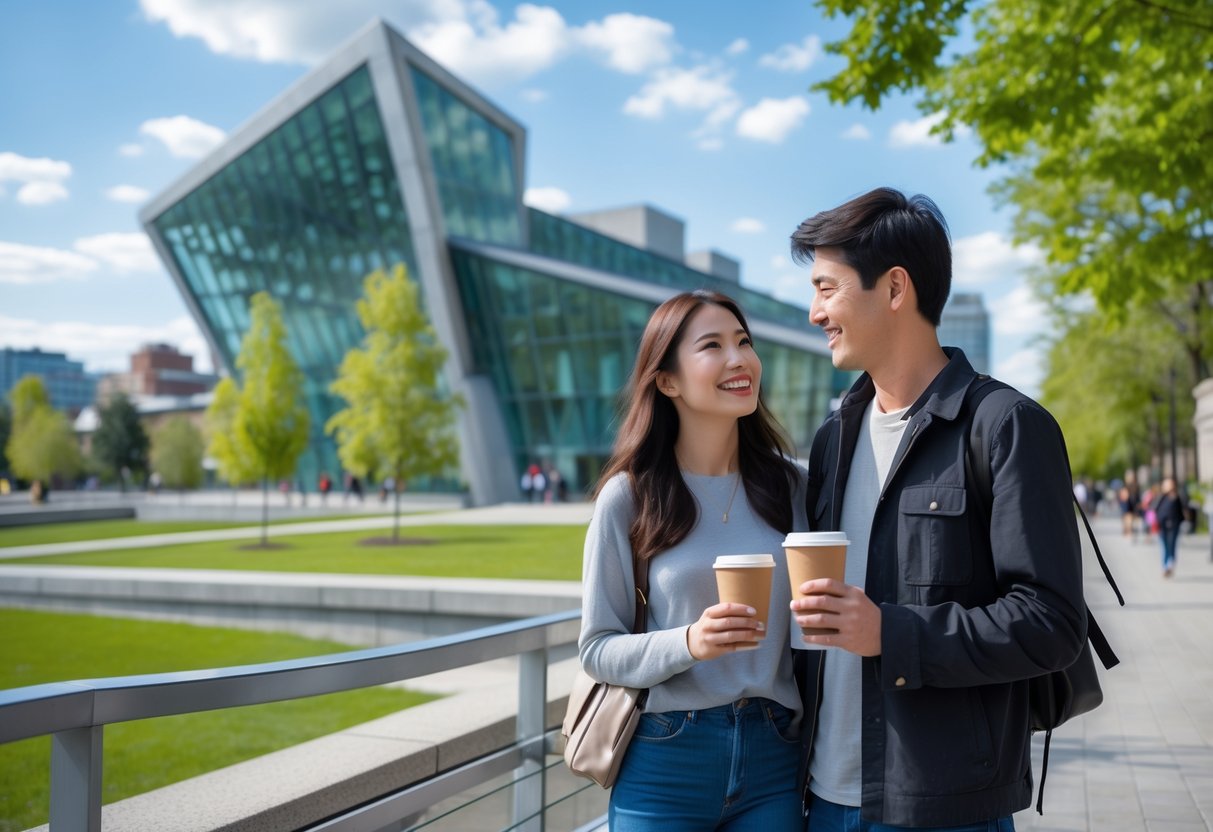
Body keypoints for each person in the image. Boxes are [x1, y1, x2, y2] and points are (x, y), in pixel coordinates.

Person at [788, 187, 1087, 830]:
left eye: (826, 288)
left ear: (895, 289)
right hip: (820, 799)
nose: (814, 313)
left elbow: (1051, 623)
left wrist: (890, 634)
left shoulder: (1006, 426)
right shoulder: (833, 434)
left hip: (942, 807)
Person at [579, 289, 809, 830]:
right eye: (713, 345)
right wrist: (689, 642)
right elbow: (596, 648)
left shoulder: (792, 487)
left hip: (774, 750)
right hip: (665, 757)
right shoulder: (629, 496)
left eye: (744, 341)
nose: (740, 359)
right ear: (668, 380)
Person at [1151, 477, 1185, 578]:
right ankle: (1165, 566)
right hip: (1162, 525)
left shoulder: (1176, 497)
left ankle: (1170, 565)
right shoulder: (1161, 497)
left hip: (1174, 525)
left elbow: (1181, 511)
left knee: (1172, 544)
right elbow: (1154, 508)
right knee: (1164, 546)